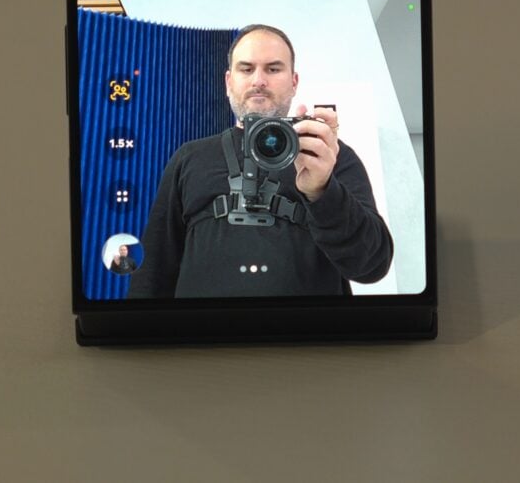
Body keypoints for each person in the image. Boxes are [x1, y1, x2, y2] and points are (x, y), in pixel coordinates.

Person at [127, 24, 393, 298]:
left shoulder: (327, 154)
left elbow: (372, 265)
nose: (258, 80)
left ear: (294, 82)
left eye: (273, 69)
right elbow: (152, 271)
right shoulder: (189, 158)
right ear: (229, 82)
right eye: (246, 69)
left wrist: (323, 192)